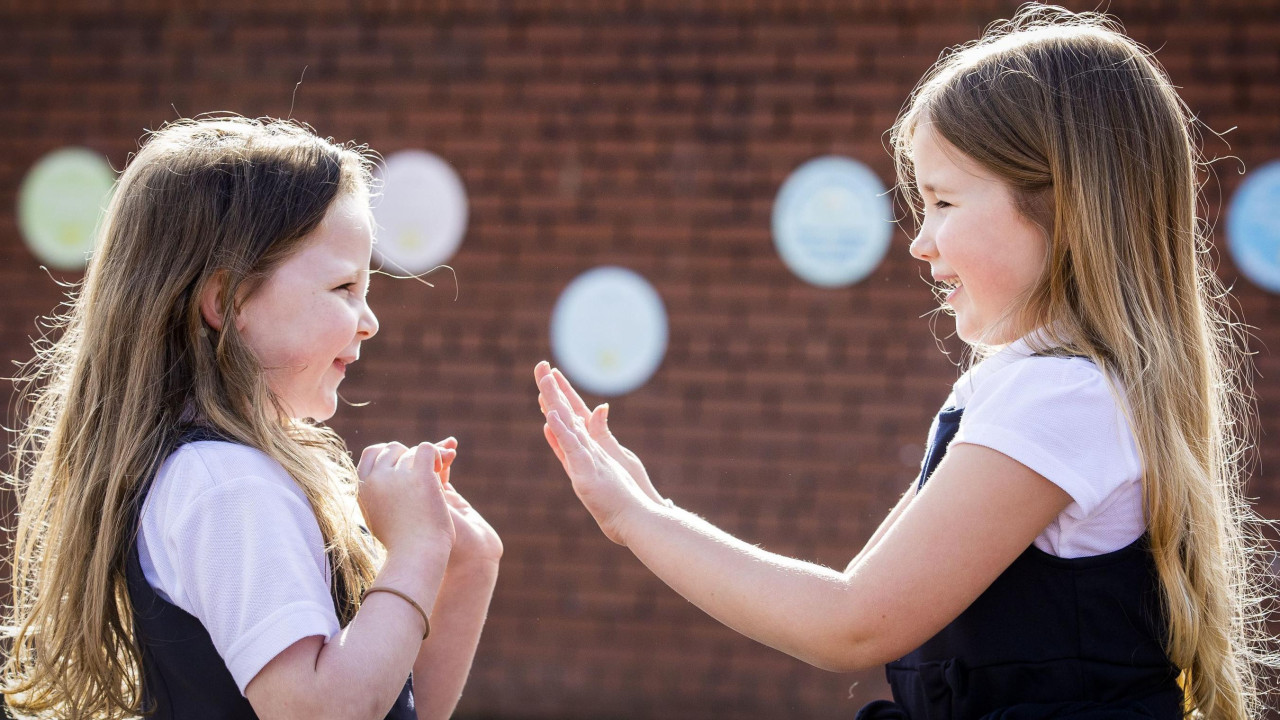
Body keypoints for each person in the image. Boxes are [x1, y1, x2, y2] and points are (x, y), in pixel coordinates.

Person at [535, 5, 1277, 718]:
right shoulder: (1019, 386)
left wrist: (637, 519)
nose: (920, 242)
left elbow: (853, 621)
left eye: (944, 203)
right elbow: (864, 594)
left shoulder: (1060, 398)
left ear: (1066, 206)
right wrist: (652, 511)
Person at [2, 117, 502, 720]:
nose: (369, 320)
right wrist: (415, 552)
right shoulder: (226, 484)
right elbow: (323, 711)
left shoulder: (230, 475)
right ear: (228, 301)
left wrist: (466, 563)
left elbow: (387, 704)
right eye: (345, 286)